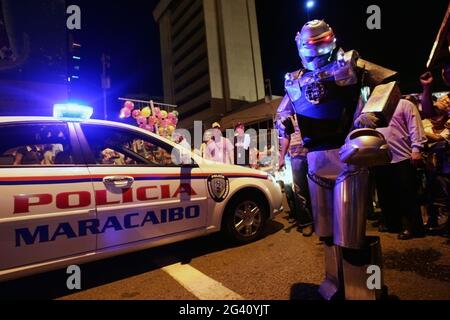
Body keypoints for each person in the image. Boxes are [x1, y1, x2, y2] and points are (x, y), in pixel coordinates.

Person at [277, 19, 398, 300]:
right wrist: (282, 120)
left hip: (348, 158)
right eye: (310, 44)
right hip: (315, 162)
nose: (315, 50)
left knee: (352, 238)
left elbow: (387, 83)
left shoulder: (349, 63)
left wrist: (371, 115)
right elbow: (283, 110)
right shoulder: (294, 79)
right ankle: (335, 283)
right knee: (328, 235)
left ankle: (365, 289)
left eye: (319, 43)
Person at [374, 99, 427, 240]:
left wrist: (416, 148)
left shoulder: (404, 104)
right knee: (387, 193)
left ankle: (412, 227)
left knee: (407, 193)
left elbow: (415, 126)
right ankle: (394, 224)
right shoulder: (372, 106)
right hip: (380, 157)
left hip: (402, 155)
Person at [420, 68, 450, 237]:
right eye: (444, 72)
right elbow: (429, 112)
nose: (446, 75)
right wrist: (426, 88)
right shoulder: (447, 99)